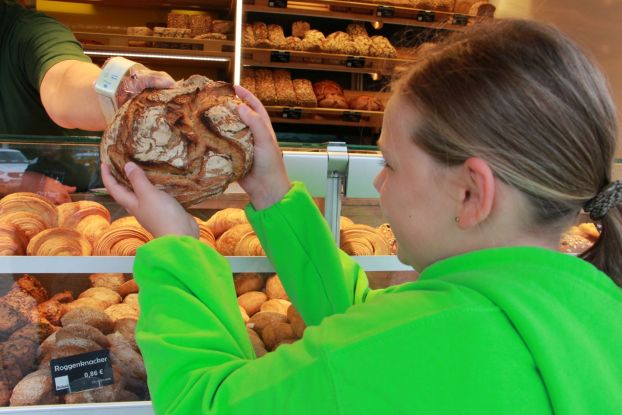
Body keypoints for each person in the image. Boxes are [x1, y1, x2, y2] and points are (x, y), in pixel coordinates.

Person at [102, 19, 622, 414]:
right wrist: (270, 191)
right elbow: (366, 326)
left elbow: (207, 401)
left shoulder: (410, 344)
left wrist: (177, 243)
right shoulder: (592, 310)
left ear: (470, 192)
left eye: (390, 164)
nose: (378, 183)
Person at [0, 0, 174, 203]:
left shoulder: (27, 31)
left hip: (75, 202)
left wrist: (119, 91)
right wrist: (11, 179)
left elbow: (64, 80)